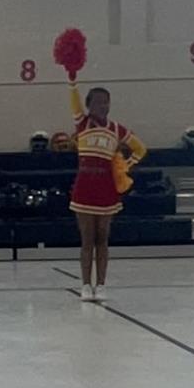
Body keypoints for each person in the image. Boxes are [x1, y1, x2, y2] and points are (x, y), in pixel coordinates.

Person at [67, 82, 146, 301]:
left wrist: (124, 167)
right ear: (89, 105)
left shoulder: (117, 129)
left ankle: (101, 285)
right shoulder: (82, 124)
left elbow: (141, 148)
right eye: (99, 102)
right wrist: (72, 80)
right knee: (87, 240)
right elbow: (73, 100)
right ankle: (85, 285)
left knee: (103, 238)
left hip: (106, 189)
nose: (104, 106)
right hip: (84, 187)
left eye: (106, 102)